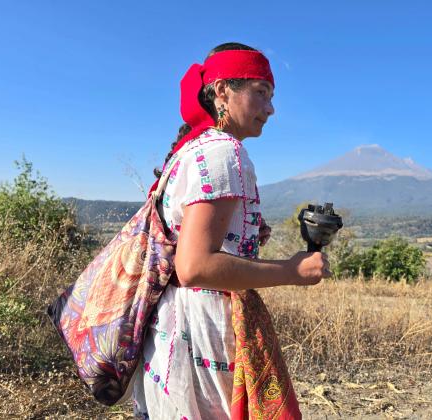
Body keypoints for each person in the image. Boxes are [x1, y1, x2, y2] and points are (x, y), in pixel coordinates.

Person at [132, 43, 330, 419]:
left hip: (170, 335)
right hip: (202, 337)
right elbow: (195, 267)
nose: (270, 109)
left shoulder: (192, 149)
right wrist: (292, 271)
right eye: (261, 93)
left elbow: (186, 241)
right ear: (222, 90)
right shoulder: (226, 153)